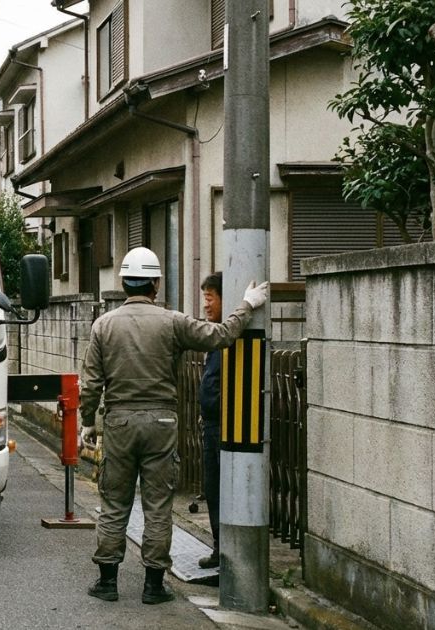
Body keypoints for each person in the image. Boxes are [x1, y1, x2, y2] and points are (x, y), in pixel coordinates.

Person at [79, 248, 268, 605]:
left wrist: (88, 422)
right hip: (162, 422)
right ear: (155, 284)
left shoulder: (104, 325)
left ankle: (107, 582)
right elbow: (221, 335)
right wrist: (247, 304)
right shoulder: (173, 322)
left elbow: (90, 383)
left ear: (124, 283)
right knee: (158, 505)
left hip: (119, 421)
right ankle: (153, 586)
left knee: (115, 503)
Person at [198, 272, 224, 570]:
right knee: (213, 489)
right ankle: (219, 549)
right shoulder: (216, 335)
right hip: (211, 423)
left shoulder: (228, 337)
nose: (206, 305)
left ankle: (225, 552)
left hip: (222, 426)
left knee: (220, 489)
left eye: (210, 298)